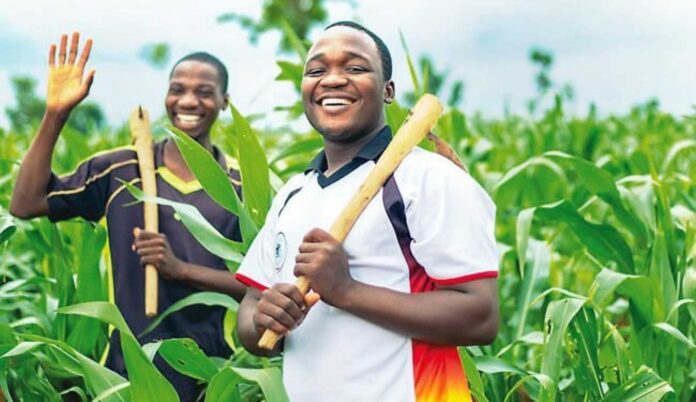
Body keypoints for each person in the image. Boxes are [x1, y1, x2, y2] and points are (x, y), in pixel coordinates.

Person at [235, 21, 499, 402]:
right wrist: (265, 318)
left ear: (388, 91)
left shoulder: (427, 179)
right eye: (316, 71)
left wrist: (345, 290)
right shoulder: (293, 193)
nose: (333, 80)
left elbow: (480, 316)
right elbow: (250, 312)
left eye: (355, 68)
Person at [9, 32, 246, 401]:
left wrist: (180, 269)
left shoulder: (240, 186)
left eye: (204, 91)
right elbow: (25, 203)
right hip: (123, 375)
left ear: (224, 101)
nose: (188, 101)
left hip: (210, 377)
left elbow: (262, 286)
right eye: (177, 89)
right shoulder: (119, 169)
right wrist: (56, 114)